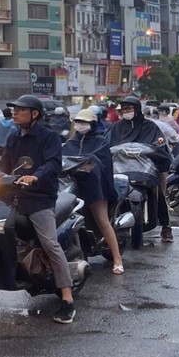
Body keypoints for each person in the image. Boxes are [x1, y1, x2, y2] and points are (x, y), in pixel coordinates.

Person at [0, 95, 76, 324]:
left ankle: (68, 299)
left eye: (21, 110)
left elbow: (53, 163)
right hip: (15, 196)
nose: (15, 113)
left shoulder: (48, 137)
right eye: (14, 109)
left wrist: (36, 176)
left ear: (35, 114)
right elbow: (4, 164)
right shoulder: (14, 138)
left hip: (40, 198)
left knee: (50, 244)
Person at [62, 109, 125, 275]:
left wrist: (88, 165)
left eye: (84, 122)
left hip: (94, 186)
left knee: (102, 220)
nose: (80, 125)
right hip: (71, 188)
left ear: (92, 124)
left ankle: (117, 259)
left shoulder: (100, 142)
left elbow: (100, 164)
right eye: (78, 122)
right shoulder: (69, 144)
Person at [107, 95, 173, 244]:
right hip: (120, 168)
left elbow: (160, 144)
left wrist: (155, 150)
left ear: (136, 110)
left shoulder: (150, 126)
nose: (126, 111)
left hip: (146, 168)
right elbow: (106, 145)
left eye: (129, 108)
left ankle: (166, 226)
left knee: (160, 194)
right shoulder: (116, 127)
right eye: (124, 109)